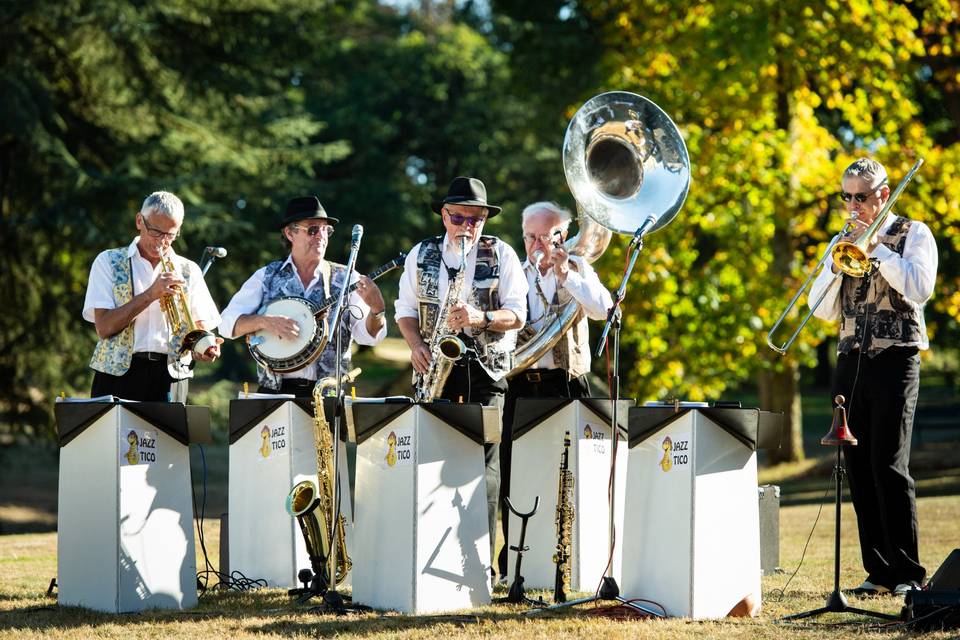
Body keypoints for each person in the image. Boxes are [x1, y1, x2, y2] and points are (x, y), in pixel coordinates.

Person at [809, 157, 938, 596]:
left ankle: (907, 573)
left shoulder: (914, 233)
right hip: (851, 360)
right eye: (845, 196)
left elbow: (920, 289)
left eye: (859, 197)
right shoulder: (841, 240)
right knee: (858, 467)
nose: (852, 205)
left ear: (882, 194)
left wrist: (878, 250)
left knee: (889, 463)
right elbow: (821, 310)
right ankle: (878, 571)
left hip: (896, 358)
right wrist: (834, 263)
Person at [395, 176, 527, 584]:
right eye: (458, 218)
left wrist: (481, 318)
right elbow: (404, 309)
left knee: (486, 465)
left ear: (485, 219)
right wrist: (415, 344)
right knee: (432, 460)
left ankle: (481, 566)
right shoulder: (422, 254)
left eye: (475, 219)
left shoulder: (502, 254)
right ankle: (430, 562)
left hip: (485, 370)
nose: (467, 226)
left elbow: (518, 315)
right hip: (437, 369)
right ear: (444, 215)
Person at [496, 201, 613, 581]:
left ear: (562, 236)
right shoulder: (513, 274)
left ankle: (570, 559)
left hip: (566, 384)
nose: (535, 244)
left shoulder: (579, 268)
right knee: (513, 474)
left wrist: (567, 276)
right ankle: (513, 559)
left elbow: (603, 309)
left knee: (570, 477)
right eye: (529, 236)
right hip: (521, 385)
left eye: (544, 236)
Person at [219, 196, 387, 396]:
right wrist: (265, 322)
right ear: (290, 233)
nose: (321, 236)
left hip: (328, 395)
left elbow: (368, 337)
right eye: (313, 229)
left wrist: (377, 311)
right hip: (274, 393)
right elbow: (226, 325)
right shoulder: (267, 276)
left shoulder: (347, 278)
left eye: (326, 230)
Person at [84, 191, 222, 402]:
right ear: (140, 221)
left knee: (168, 436)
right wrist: (149, 295)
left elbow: (199, 327)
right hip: (117, 376)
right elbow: (103, 327)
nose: (162, 242)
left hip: (170, 376)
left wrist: (205, 346)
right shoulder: (108, 261)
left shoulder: (189, 269)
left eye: (170, 235)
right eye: (156, 232)